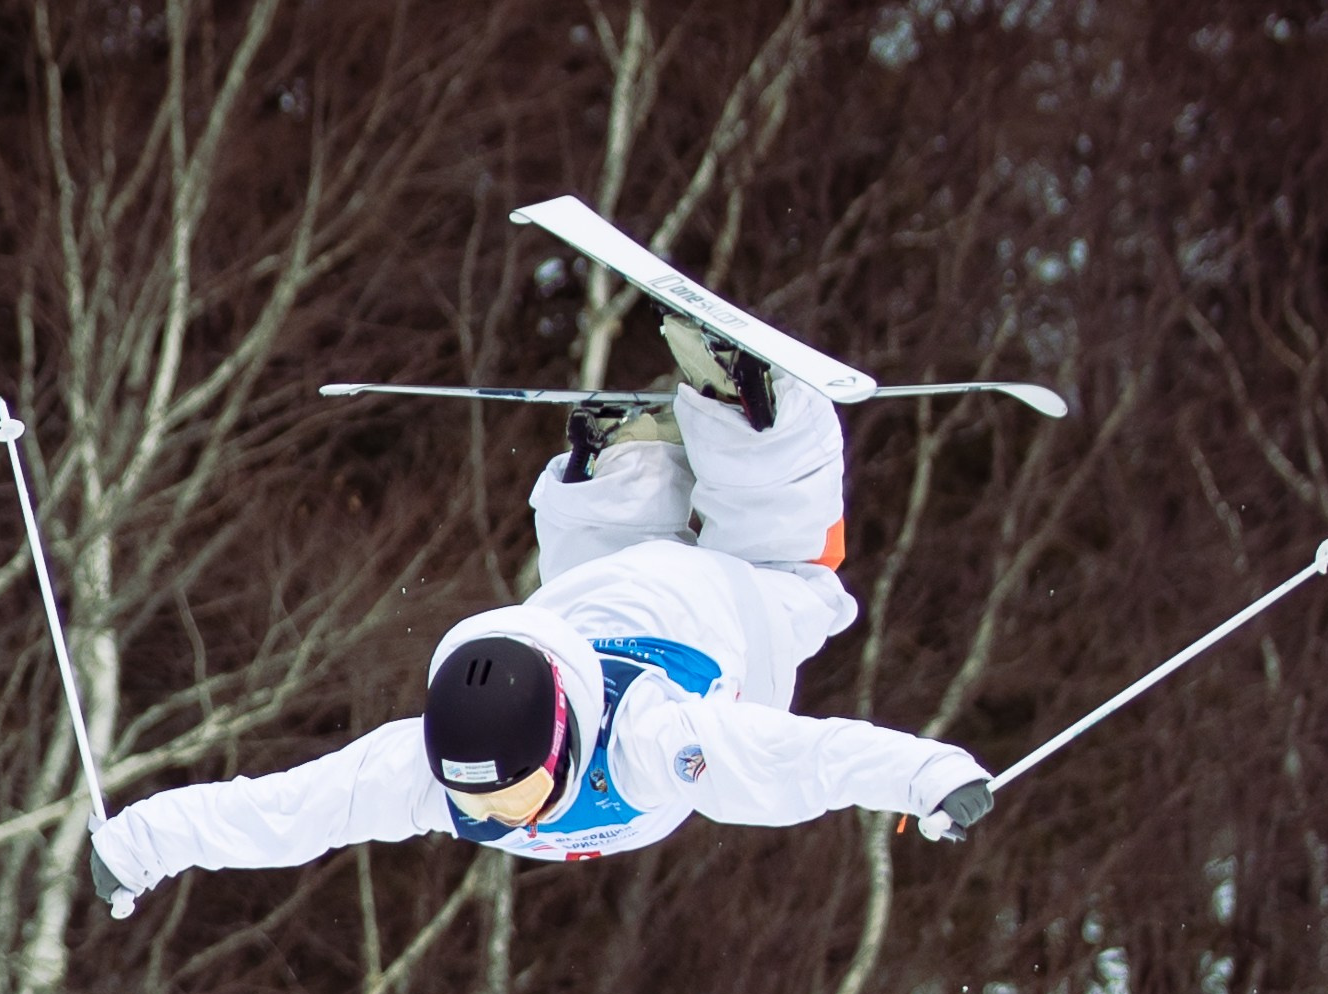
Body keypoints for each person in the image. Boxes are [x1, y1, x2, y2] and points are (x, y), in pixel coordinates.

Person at [88, 320, 992, 908]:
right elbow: (287, 812)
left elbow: (801, 761)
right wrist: (140, 845)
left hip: (723, 610)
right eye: (478, 799)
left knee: (796, 579)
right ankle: (638, 459)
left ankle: (754, 414)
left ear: (561, 739)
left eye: (507, 794)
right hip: (595, 605)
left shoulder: (655, 739)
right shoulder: (427, 774)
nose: (498, 816)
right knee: (592, 562)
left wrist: (926, 777)